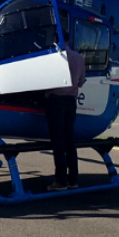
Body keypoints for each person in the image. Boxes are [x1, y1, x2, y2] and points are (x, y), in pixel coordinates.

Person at [45, 44, 86, 191]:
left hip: (56, 101)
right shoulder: (79, 58)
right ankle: (73, 179)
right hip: (71, 101)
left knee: (58, 142)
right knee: (69, 141)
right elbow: (81, 82)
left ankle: (60, 180)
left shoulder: (55, 58)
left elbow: (46, 80)